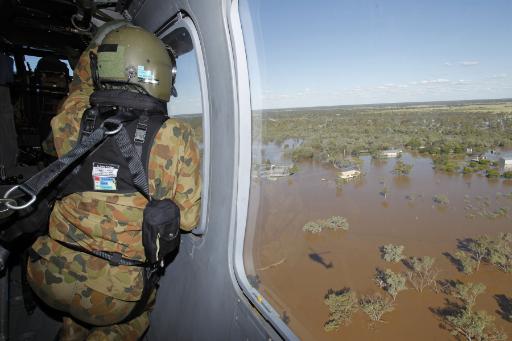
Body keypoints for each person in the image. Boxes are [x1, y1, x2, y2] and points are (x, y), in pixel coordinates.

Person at [25, 24, 201, 340]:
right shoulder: (174, 136)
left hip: (48, 272)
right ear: (156, 71)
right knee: (127, 317)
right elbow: (187, 219)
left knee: (76, 316)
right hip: (116, 297)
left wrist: (97, 47)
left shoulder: (70, 119)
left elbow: (79, 90)